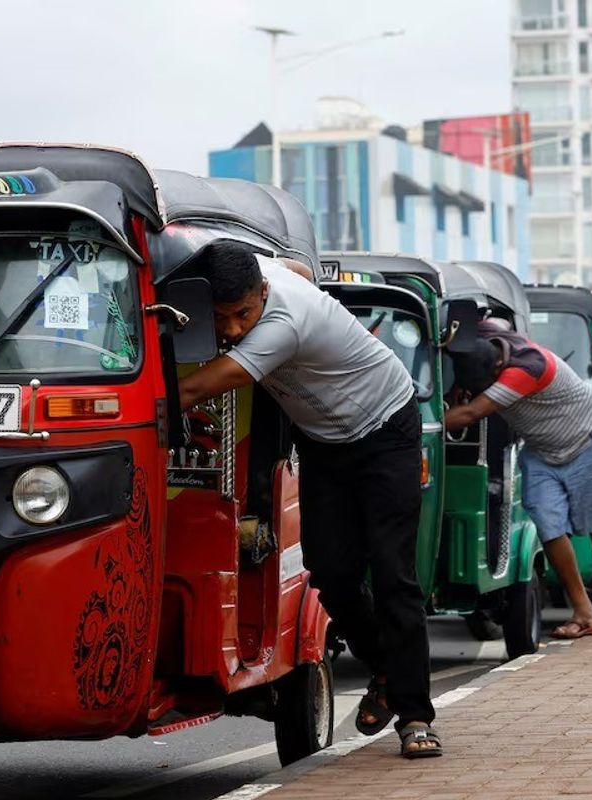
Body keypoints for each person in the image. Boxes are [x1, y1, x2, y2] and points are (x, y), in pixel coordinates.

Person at [176, 241, 441, 759]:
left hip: (386, 427)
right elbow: (297, 266)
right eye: (221, 317)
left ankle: (414, 716)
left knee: (393, 574)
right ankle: (386, 667)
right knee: (331, 572)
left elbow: (213, 380)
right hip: (325, 441)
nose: (231, 330)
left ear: (265, 294)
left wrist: (146, 396)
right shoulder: (269, 271)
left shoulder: (284, 323)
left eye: (243, 314)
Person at [444, 322, 592, 638]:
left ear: (496, 371)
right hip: (542, 451)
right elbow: (472, 323)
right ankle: (584, 612)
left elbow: (470, 414)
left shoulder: (526, 369)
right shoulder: (491, 339)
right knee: (549, 526)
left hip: (589, 441)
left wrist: (417, 422)